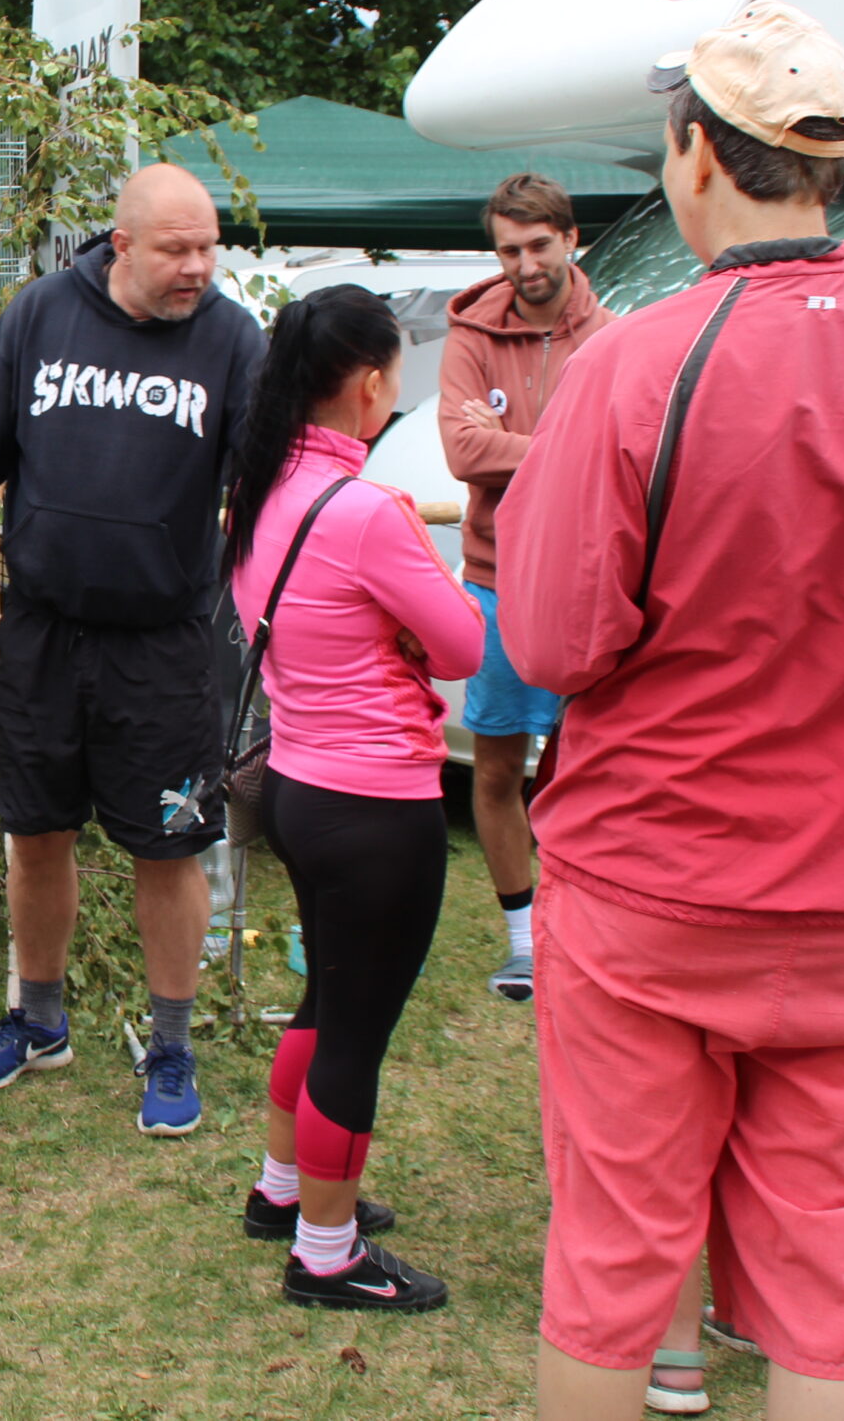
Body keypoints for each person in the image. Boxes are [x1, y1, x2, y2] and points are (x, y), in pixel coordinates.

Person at [499, 0, 844, 1420]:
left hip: (657, 885)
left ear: (693, 152)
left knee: (617, 1255)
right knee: (825, 1270)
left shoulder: (636, 362)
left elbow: (552, 639)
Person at [0, 162, 264, 1136]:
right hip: (43, 638)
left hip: (166, 649)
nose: (197, 268)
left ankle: (172, 1044)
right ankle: (38, 1019)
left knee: (169, 845)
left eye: (208, 249)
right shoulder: (39, 317)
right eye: (177, 250)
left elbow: (269, 479)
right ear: (123, 243)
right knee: (35, 832)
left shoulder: (233, 341)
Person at [226, 286, 482, 1311]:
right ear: (372, 382)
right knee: (352, 1032)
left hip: (298, 784)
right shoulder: (369, 511)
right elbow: (462, 644)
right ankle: (326, 1254)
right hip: (376, 804)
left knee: (326, 1001)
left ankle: (282, 1189)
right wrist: (413, 609)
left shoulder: (262, 490)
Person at [436, 172, 613, 1001]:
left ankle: (585, 932)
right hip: (497, 576)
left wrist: (510, 441)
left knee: (596, 768)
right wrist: (567, 448)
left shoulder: (613, 335)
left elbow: (624, 453)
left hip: (590, 579)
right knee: (496, 765)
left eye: (539, 245)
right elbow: (462, 453)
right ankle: (522, 941)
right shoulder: (470, 333)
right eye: (509, 249)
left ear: (571, 239)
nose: (525, 264)